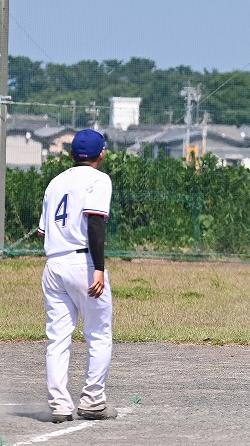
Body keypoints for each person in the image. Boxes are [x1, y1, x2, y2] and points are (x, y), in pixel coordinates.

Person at [37, 129, 118, 423]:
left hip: (53, 265)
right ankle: (92, 401)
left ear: (72, 154)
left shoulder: (55, 182)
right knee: (98, 333)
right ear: (102, 154)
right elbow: (95, 224)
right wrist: (99, 267)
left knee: (58, 338)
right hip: (83, 263)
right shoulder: (99, 179)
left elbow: (43, 231)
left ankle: (59, 405)